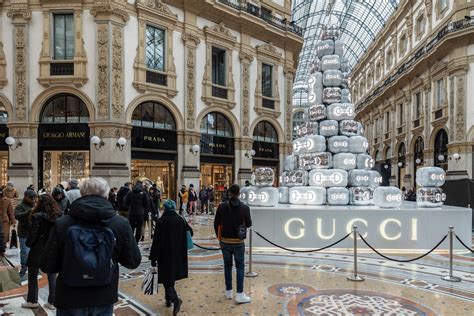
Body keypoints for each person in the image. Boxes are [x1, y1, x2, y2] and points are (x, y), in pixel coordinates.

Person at [41, 177, 141, 314]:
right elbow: (133, 262)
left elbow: (48, 265)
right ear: (106, 194)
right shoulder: (120, 223)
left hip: (70, 296)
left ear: (82, 193)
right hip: (103, 295)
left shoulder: (63, 223)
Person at [149, 200, 192, 315]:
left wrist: (153, 258)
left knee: (166, 277)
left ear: (165, 209)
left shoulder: (161, 221)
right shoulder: (180, 220)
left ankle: (175, 299)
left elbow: (156, 241)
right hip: (178, 254)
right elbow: (190, 232)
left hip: (164, 255)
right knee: (170, 276)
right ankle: (168, 299)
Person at [214, 184, 252, 304]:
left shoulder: (221, 207)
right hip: (238, 242)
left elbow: (216, 224)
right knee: (240, 267)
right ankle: (240, 294)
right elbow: (249, 224)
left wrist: (219, 238)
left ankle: (228, 291)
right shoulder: (245, 208)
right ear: (239, 193)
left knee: (227, 266)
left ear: (229, 193)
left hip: (225, 241)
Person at [22, 194, 60, 310]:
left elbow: (33, 235)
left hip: (38, 249)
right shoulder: (57, 215)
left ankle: (32, 300)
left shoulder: (36, 217)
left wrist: (28, 243)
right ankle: (52, 302)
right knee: (52, 275)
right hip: (52, 249)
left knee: (33, 275)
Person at [14, 189, 37, 278]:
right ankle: (24, 267)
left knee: (33, 251)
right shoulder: (20, 206)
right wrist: (29, 211)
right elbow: (17, 215)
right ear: (26, 197)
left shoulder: (35, 205)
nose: (34, 200)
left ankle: (34, 267)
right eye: (32, 198)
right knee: (25, 252)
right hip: (24, 233)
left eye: (35, 198)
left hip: (34, 233)